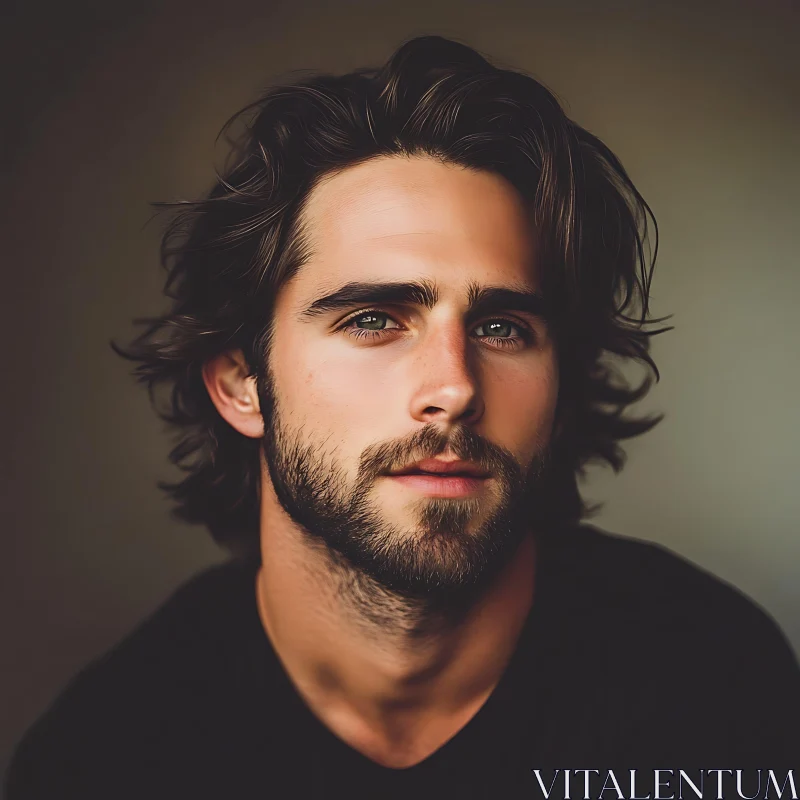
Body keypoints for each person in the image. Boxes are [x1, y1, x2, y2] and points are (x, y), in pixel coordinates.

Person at [6, 35, 799, 800]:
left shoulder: (716, 687)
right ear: (243, 382)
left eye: (502, 328)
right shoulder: (105, 760)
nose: (453, 388)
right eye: (373, 320)